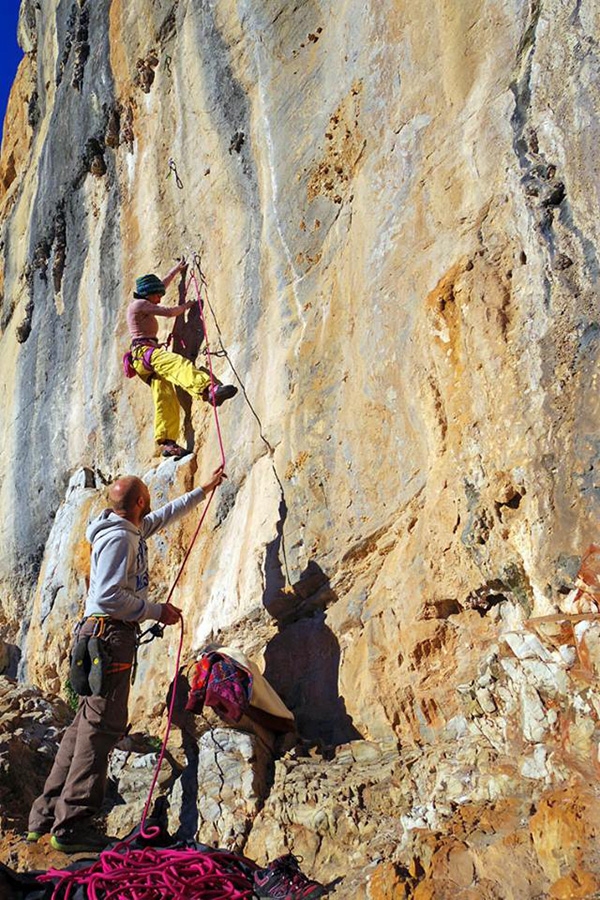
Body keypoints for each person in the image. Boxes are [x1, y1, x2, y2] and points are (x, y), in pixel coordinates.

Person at [27, 466, 226, 853]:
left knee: (83, 725)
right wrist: (155, 611)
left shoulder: (122, 528)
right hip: (110, 636)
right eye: (146, 500)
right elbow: (108, 597)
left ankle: (45, 817)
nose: (149, 507)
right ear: (137, 502)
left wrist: (202, 490)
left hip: (95, 636)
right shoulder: (121, 539)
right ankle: (73, 826)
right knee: (102, 727)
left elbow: (161, 517)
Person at [127, 259, 237, 459]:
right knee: (178, 365)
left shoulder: (143, 301)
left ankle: (168, 443)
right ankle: (208, 389)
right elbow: (169, 313)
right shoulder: (140, 304)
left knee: (165, 397)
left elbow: (162, 284)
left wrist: (177, 270)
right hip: (145, 353)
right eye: (157, 295)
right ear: (148, 293)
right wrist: (188, 305)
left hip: (141, 359)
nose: (160, 297)